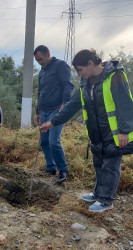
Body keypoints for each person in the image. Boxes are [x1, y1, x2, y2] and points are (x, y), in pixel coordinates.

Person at [40, 49, 133, 212]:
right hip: (96, 131)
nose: (79, 74)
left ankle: (106, 200)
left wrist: (125, 130)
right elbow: (72, 105)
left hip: (114, 132)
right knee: (98, 163)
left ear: (90, 64)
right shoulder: (85, 83)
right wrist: (53, 122)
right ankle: (98, 194)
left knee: (110, 166)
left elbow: (125, 104)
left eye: (80, 70)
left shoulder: (114, 76)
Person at [33, 45, 74, 184]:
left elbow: (67, 84)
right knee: (44, 141)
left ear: (48, 53)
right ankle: (51, 167)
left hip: (57, 109)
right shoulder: (42, 72)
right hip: (44, 110)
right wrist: (37, 111)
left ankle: (63, 170)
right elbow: (40, 92)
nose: (39, 62)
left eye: (41, 59)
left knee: (53, 141)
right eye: (37, 60)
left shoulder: (60, 65)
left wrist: (65, 103)